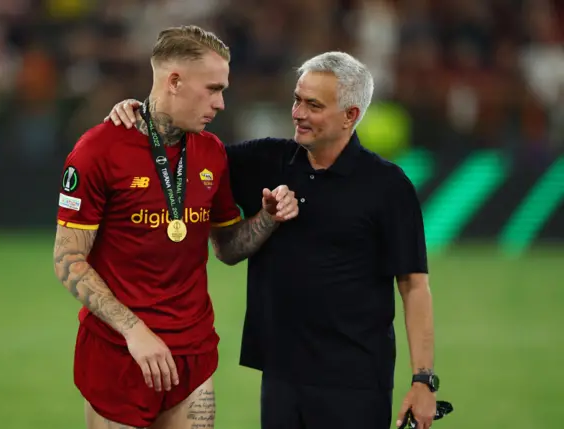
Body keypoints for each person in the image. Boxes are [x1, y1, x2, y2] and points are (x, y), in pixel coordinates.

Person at [105, 51, 438, 429]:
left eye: (313, 105)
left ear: (351, 115)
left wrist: (423, 380)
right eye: (297, 99)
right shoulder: (266, 160)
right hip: (281, 377)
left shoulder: (388, 187)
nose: (297, 112)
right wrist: (143, 116)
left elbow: (414, 286)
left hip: (356, 382)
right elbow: (183, 155)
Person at [53, 25, 299, 429]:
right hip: (120, 353)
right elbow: (67, 260)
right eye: (213, 89)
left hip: (192, 355)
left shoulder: (211, 152)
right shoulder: (98, 150)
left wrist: (267, 219)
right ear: (175, 81)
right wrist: (135, 332)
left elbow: (227, 247)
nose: (220, 104)